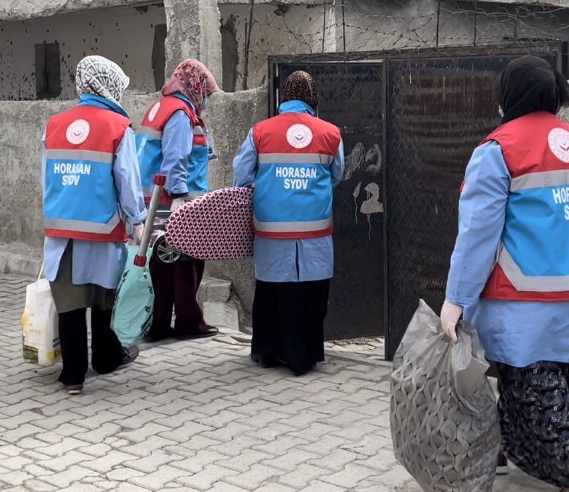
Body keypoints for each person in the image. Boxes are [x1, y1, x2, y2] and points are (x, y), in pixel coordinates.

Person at [439, 55, 569, 492]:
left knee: (538, 396)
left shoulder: (498, 150)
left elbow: (478, 234)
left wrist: (456, 299)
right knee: (552, 386)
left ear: (507, 96)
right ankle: (504, 449)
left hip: (526, 300)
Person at [40, 56, 148, 395]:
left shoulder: (54, 125)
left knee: (70, 302)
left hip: (62, 231)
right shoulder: (118, 127)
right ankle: (105, 358)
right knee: (104, 298)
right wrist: (137, 219)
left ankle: (73, 376)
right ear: (110, 86)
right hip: (102, 232)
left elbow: (46, 179)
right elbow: (127, 179)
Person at [233, 71, 344, 375]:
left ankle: (267, 352)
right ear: (313, 99)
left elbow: (241, 176)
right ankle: (304, 356)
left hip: (271, 231)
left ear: (283, 98)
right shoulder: (331, 133)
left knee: (272, 292)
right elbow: (337, 175)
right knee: (312, 293)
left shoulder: (260, 132)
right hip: (315, 233)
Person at [135, 59, 221, 341]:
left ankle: (158, 324)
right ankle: (188, 322)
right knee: (186, 262)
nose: (205, 99)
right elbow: (176, 158)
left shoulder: (161, 107)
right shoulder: (181, 114)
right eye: (205, 93)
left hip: (155, 200)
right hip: (176, 200)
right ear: (195, 87)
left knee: (162, 263)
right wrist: (180, 196)